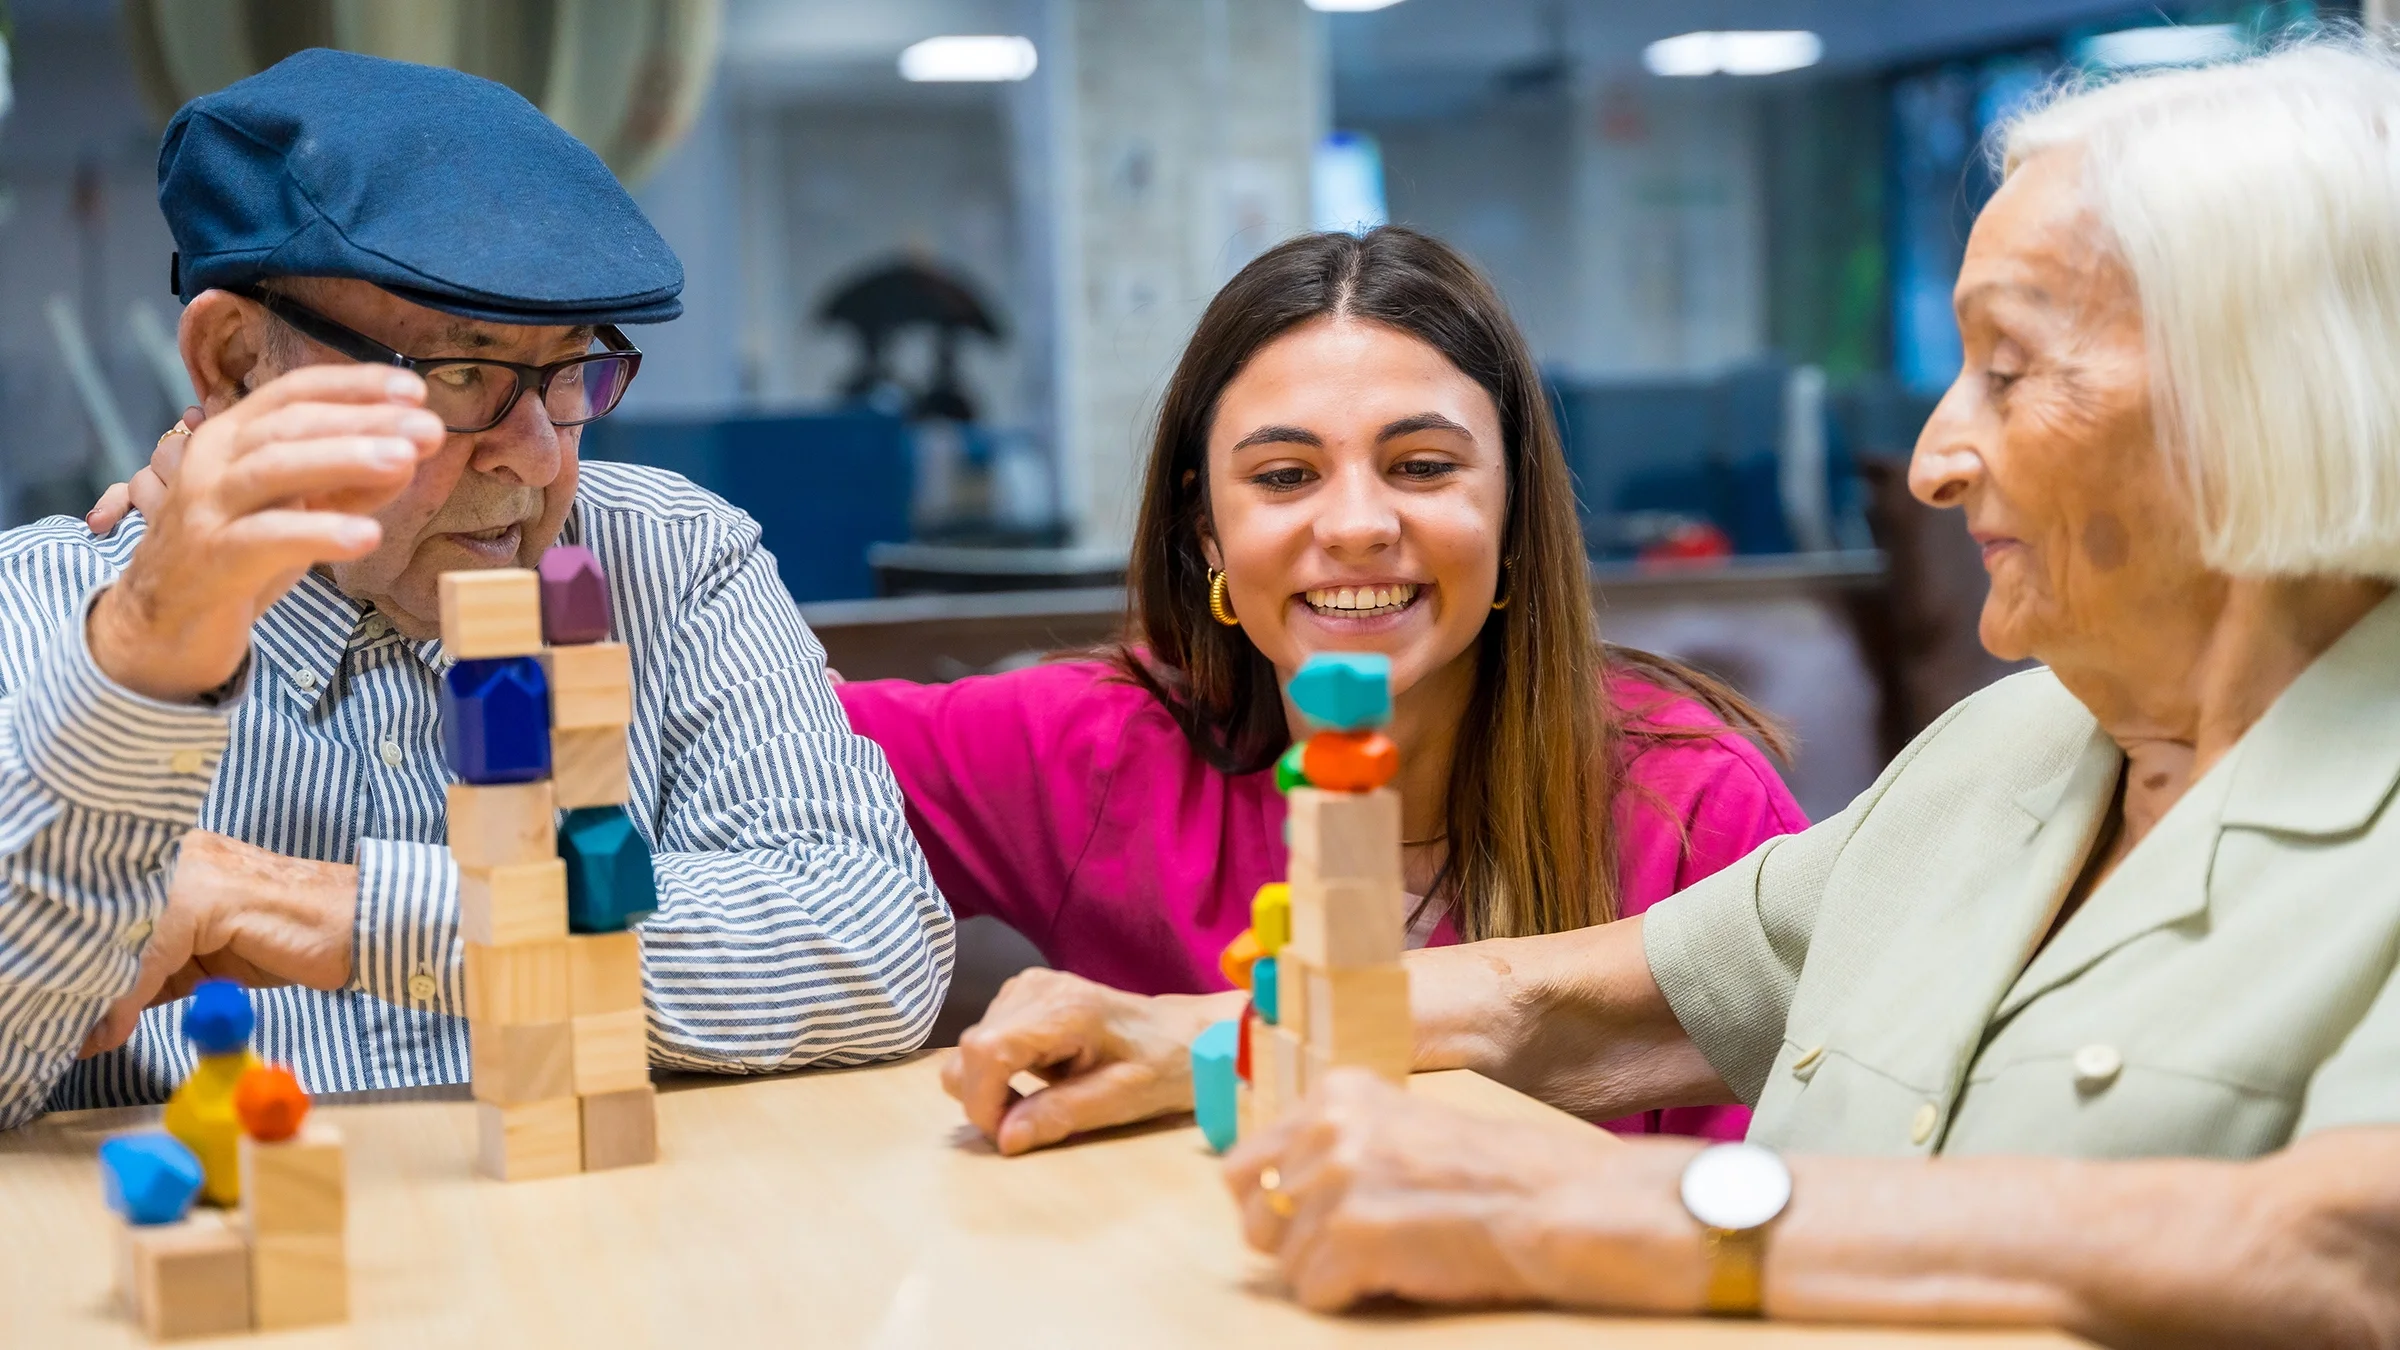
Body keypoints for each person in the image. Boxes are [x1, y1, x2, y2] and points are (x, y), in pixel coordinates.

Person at [1199, 40, 2400, 1344]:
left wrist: (1593, 1206)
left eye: (2007, 371)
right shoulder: (2010, 743)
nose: (1937, 458)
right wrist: (1178, 1037)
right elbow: (1558, 1001)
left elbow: (2341, 1249)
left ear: (2264, 396)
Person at [37, 49, 952, 1128]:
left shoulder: (670, 560)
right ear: (238, 362)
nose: (536, 456)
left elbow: (872, 937)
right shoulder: (52, 615)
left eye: (568, 372)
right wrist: (149, 652)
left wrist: (350, 912)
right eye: (462, 373)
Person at [847, 227, 1806, 1155]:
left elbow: (1792, 1175)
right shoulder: (1091, 749)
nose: (1355, 524)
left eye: (1422, 466)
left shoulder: (1697, 811)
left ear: (1513, 514)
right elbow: (760, 745)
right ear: (1208, 534)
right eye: (1284, 475)